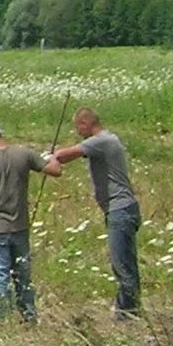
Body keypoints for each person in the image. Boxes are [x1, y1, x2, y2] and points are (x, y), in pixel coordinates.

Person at [50, 108, 142, 318]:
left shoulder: (102, 141)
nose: (77, 132)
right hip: (121, 209)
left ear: (85, 123)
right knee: (126, 262)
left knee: (122, 265)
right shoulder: (106, 140)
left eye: (78, 127)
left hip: (120, 210)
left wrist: (50, 156)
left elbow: (64, 155)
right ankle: (132, 308)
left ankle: (127, 313)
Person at [0, 122, 60, 322]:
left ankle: (2, 320)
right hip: (20, 226)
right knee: (23, 276)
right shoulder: (24, 154)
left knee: (1, 277)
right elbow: (55, 170)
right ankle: (29, 316)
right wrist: (51, 157)